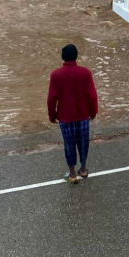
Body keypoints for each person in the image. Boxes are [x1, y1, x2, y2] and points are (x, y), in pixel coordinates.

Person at [47, 44, 98, 183]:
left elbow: (52, 98)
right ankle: (83, 169)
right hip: (83, 116)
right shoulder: (85, 73)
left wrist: (52, 115)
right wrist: (93, 112)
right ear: (76, 56)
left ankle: (72, 174)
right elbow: (92, 95)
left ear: (63, 57)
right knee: (83, 143)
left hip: (65, 118)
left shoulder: (56, 75)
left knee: (69, 145)